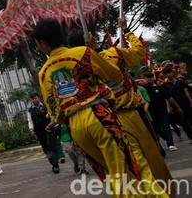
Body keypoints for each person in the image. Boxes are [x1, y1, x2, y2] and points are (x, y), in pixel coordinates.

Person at [32, 19, 146, 197]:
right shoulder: (84, 53)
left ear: (42, 43)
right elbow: (115, 75)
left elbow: (54, 109)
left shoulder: (44, 71)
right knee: (123, 169)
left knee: (107, 173)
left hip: (75, 128)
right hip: (100, 116)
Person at [68, 18, 172, 194]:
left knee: (147, 162)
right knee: (143, 163)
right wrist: (125, 30)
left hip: (114, 119)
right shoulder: (111, 54)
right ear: (90, 39)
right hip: (116, 119)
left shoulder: (77, 71)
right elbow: (139, 52)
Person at [26, 92, 62, 173]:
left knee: (52, 146)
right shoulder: (30, 110)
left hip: (49, 129)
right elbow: (30, 121)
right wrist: (31, 130)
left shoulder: (46, 106)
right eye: (32, 99)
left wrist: (54, 126)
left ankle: (55, 165)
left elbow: (52, 116)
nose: (34, 100)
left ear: (38, 98)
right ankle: (53, 163)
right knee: (45, 148)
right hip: (39, 132)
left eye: (35, 98)